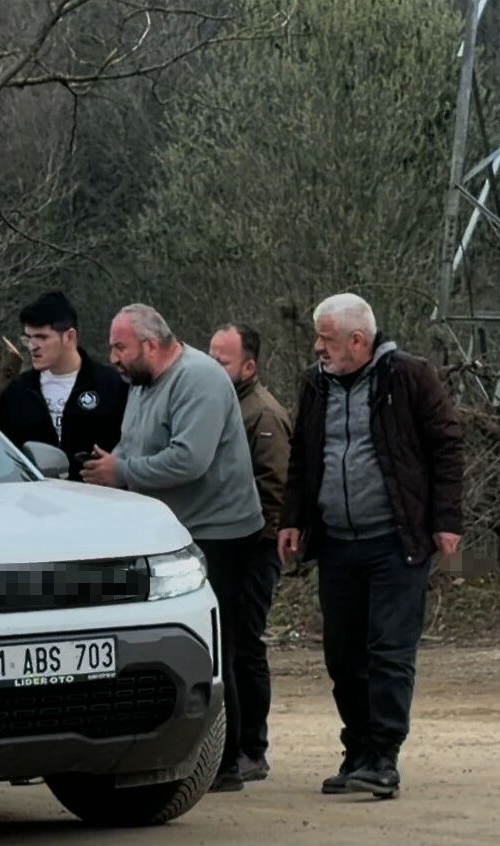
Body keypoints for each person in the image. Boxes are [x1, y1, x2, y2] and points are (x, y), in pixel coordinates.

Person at [276, 293, 465, 800]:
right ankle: (357, 750)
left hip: (395, 542)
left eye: (326, 339)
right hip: (337, 543)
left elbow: (447, 446)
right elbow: (302, 455)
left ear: (358, 340)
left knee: (388, 651)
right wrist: (292, 519)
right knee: (343, 656)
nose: (318, 348)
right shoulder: (315, 384)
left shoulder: (409, 377)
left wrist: (446, 520)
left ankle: (384, 757)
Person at [82, 304, 265, 792]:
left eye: (120, 347)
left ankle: (226, 762)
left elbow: (189, 460)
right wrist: (107, 468)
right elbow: (134, 444)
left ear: (150, 344)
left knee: (214, 645)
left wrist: (123, 473)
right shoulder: (143, 384)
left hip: (219, 533)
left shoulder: (198, 379)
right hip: (172, 532)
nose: (113, 358)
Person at [208, 323, 292, 784]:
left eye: (221, 361)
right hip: (229, 545)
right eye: (209, 357)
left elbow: (274, 489)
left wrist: (264, 547)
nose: (212, 367)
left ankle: (252, 749)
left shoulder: (263, 414)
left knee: (245, 645)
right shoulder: (223, 405)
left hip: (256, 548)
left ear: (249, 366)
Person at [0, 291, 128, 480]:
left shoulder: (113, 387)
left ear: (69, 337)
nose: (32, 346)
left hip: (98, 494)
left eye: (42, 338)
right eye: (28, 338)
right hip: (35, 495)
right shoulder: (17, 394)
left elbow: (133, 447)